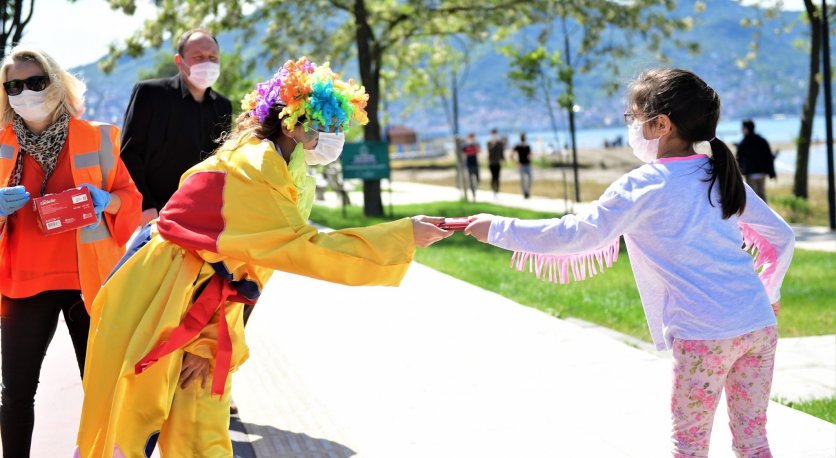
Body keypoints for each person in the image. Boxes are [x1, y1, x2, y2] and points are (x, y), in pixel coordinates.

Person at [75, 57, 452, 458]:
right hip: (155, 295)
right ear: (293, 123)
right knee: (129, 424)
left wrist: (208, 341)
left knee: (201, 426)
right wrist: (403, 235)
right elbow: (302, 248)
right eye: (328, 126)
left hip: (200, 294)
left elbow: (250, 263)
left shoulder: (283, 167)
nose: (336, 137)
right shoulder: (254, 169)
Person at [464, 69, 794, 457]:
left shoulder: (641, 186)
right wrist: (768, 292)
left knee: (689, 446)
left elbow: (574, 234)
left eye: (634, 117)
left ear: (661, 124)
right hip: (758, 325)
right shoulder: (719, 173)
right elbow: (782, 237)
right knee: (753, 441)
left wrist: (498, 228)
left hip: (704, 334)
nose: (631, 126)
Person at [0, 46, 141, 457]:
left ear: (57, 84)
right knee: (15, 392)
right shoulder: (2, 144)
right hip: (22, 283)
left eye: (35, 82)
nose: (25, 92)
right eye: (15, 85)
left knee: (102, 387)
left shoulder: (98, 137)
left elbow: (129, 199)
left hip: (90, 282)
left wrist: (105, 200)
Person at [121, 28, 232, 227]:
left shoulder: (223, 106)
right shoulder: (151, 94)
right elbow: (129, 153)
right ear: (179, 61)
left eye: (212, 57)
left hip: (202, 217)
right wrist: (145, 206)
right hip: (155, 216)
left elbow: (221, 163)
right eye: (198, 57)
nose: (206, 63)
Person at [736, 120, 776, 201]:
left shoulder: (744, 142)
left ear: (746, 129)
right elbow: (769, 157)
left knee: (752, 197)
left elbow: (739, 158)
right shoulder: (762, 140)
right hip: (762, 172)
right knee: (762, 195)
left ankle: (754, 213)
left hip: (750, 173)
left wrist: (740, 172)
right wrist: (772, 172)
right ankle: (765, 212)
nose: (742, 130)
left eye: (743, 128)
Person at [513, 133, 532, 198]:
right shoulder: (518, 146)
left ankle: (527, 191)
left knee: (529, 179)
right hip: (521, 165)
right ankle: (525, 193)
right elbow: (511, 154)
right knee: (522, 180)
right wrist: (516, 162)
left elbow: (530, 155)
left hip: (528, 164)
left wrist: (530, 158)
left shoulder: (527, 146)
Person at [486, 128, 505, 197]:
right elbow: (489, 151)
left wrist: (503, 160)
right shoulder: (489, 143)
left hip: (497, 162)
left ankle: (497, 189)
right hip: (491, 162)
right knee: (493, 176)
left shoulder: (500, 143)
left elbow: (501, 152)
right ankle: (493, 188)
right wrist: (493, 144)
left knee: (497, 176)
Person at [462, 132, 480, 200]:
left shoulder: (476, 145)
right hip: (469, 165)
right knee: (470, 180)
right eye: (471, 138)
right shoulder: (465, 146)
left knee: (477, 178)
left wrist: (474, 144)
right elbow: (463, 152)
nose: (472, 139)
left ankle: (476, 188)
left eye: (473, 138)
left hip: (475, 164)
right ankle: (473, 194)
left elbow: (479, 150)